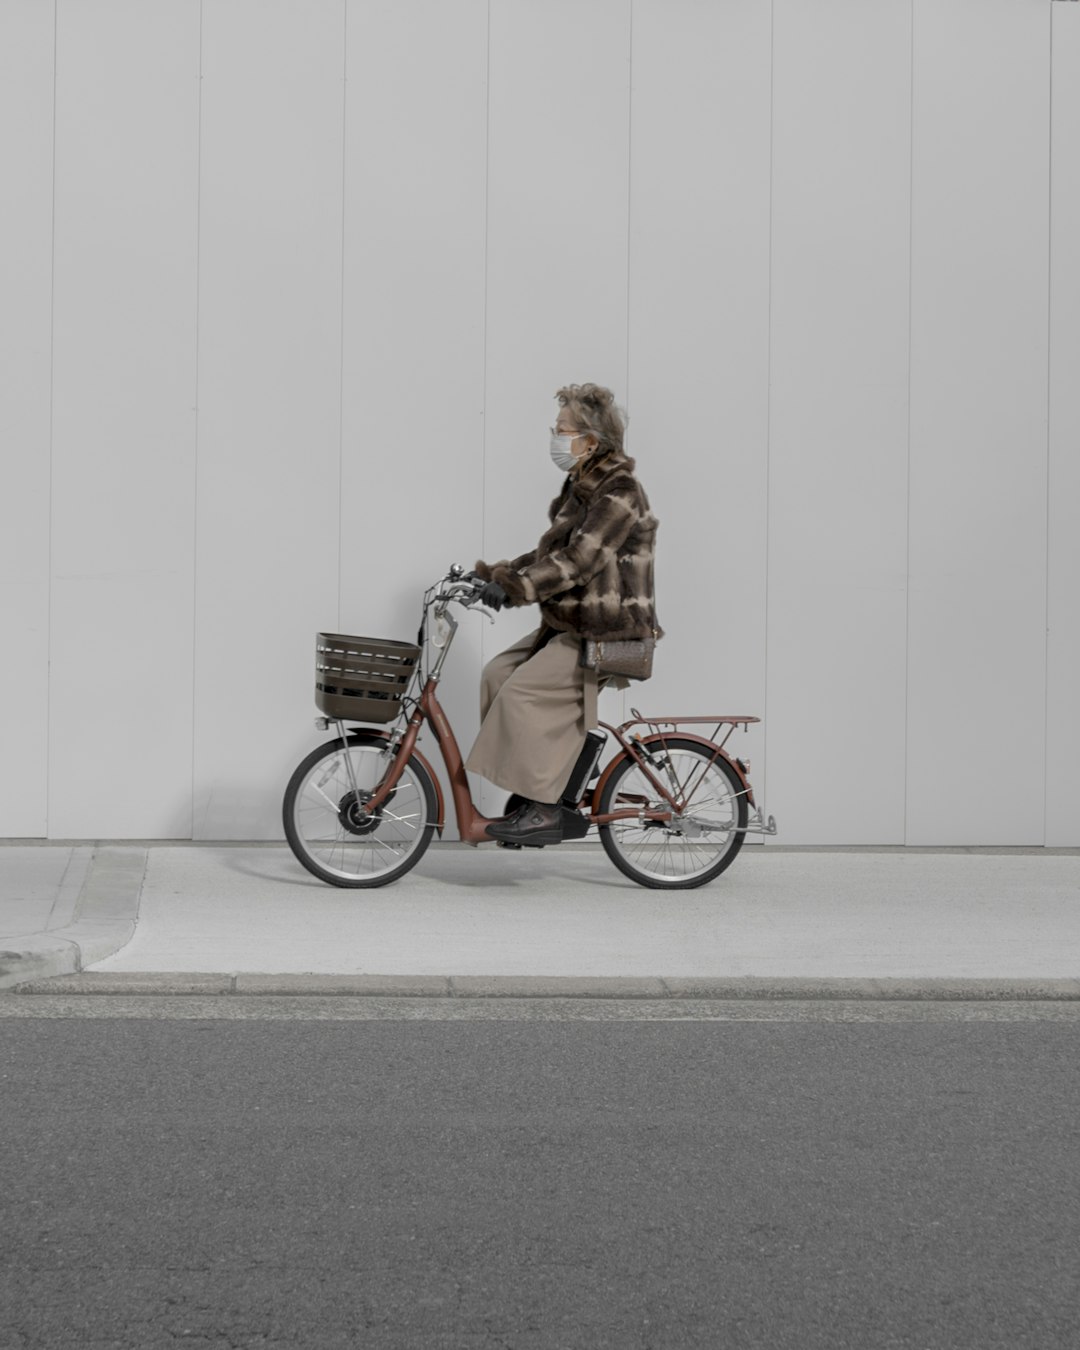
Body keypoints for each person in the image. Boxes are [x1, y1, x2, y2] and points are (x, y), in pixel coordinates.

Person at [465, 383, 662, 846]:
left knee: (520, 696)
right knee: (497, 675)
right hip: (571, 624)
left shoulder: (620, 491)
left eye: (562, 431)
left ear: (591, 441)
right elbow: (551, 551)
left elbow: (581, 561)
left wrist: (517, 590)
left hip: (608, 630)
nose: (556, 439)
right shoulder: (582, 485)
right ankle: (537, 792)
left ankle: (546, 809)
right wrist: (497, 575)